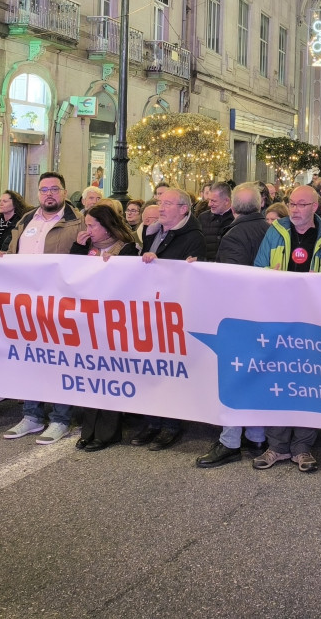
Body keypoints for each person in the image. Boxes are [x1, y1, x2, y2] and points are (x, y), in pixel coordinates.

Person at [252, 184, 321, 473]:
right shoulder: (276, 231)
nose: (296, 209)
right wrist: (268, 276)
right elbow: (259, 266)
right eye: (292, 204)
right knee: (278, 380)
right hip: (279, 316)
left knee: (308, 383)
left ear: (316, 206)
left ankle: (302, 447)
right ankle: (276, 446)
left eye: (302, 205)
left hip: (313, 320)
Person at [2, 172, 85, 444]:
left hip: (60, 301)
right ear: (38, 193)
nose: (49, 194)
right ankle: (32, 415)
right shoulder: (26, 220)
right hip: (26, 301)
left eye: (54, 189)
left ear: (63, 192)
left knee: (60, 360)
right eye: (43, 189)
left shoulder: (78, 220)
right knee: (30, 358)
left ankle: (60, 418)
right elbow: (14, 251)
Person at [197, 183, 270, 468]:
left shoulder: (235, 234)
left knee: (234, 376)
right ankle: (256, 435)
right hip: (266, 314)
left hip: (240, 316)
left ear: (234, 207)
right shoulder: (271, 230)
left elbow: (231, 280)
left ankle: (230, 440)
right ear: (260, 205)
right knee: (256, 376)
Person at [136, 186, 206, 449]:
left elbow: (192, 272)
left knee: (169, 371)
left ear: (183, 209)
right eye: (159, 202)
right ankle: (152, 422)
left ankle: (170, 425)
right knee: (149, 369)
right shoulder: (154, 232)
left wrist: (161, 264)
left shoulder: (193, 237)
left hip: (173, 312)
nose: (160, 208)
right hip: (150, 307)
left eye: (167, 204)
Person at [70, 204, 140, 452]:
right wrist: (78, 248)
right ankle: (89, 429)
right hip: (87, 318)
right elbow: (69, 275)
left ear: (106, 226)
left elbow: (132, 282)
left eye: (91, 225)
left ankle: (108, 431)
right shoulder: (86, 248)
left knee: (110, 375)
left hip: (113, 321)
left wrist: (114, 267)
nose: (87, 230)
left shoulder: (127, 249)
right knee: (90, 374)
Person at [199, 182, 235, 261]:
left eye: (213, 201)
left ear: (226, 201)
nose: (209, 204)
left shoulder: (236, 219)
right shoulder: (203, 217)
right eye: (209, 200)